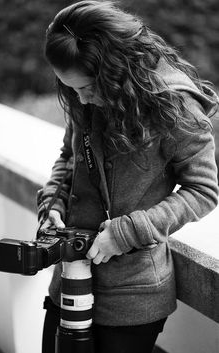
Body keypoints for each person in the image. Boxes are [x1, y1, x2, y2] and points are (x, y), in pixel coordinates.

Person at [37, 1, 219, 352]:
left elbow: (203, 190)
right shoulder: (82, 98)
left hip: (133, 296)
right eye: (70, 88)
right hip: (70, 279)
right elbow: (69, 157)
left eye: (88, 87)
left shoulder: (172, 104)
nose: (81, 99)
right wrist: (53, 203)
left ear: (116, 69)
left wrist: (127, 232)